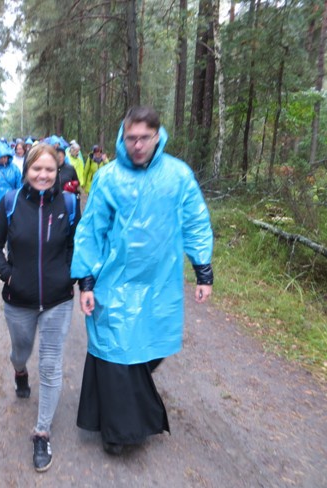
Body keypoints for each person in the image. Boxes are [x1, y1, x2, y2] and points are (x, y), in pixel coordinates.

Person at [71, 106, 214, 455]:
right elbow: (92, 230)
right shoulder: (108, 177)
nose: (137, 145)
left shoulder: (178, 175)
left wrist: (203, 271)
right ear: (123, 137)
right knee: (116, 353)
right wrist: (86, 281)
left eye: (144, 138)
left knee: (149, 353)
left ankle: (114, 412)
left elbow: (195, 221)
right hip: (115, 283)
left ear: (157, 136)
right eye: (130, 138)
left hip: (159, 284)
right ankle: (119, 432)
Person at [0, 143, 80, 472]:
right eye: (36, 169)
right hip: (19, 300)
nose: (43, 175)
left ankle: (42, 432)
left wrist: (71, 276)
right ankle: (20, 373)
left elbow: (76, 244)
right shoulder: (10, 202)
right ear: (26, 171)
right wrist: (8, 275)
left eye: (49, 170)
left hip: (58, 300)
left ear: (58, 172)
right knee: (20, 352)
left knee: (52, 366)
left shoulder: (68, 203)